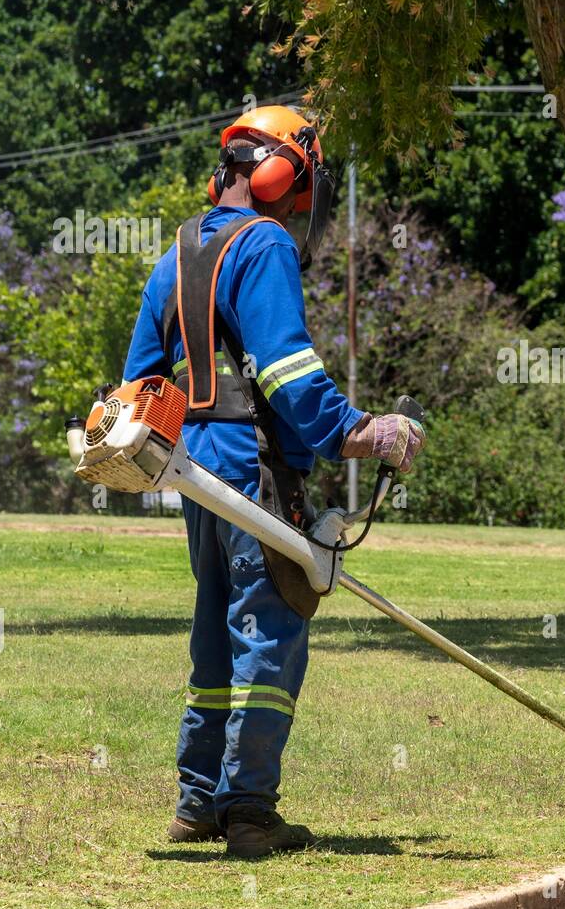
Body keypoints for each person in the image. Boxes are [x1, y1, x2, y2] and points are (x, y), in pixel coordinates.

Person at [122, 104, 424, 858]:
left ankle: (197, 802)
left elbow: (137, 385)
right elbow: (288, 372)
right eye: (301, 185)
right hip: (256, 469)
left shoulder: (179, 251)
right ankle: (249, 810)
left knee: (217, 629)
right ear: (280, 175)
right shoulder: (264, 248)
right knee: (271, 630)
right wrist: (360, 430)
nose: (300, 205)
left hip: (194, 474)